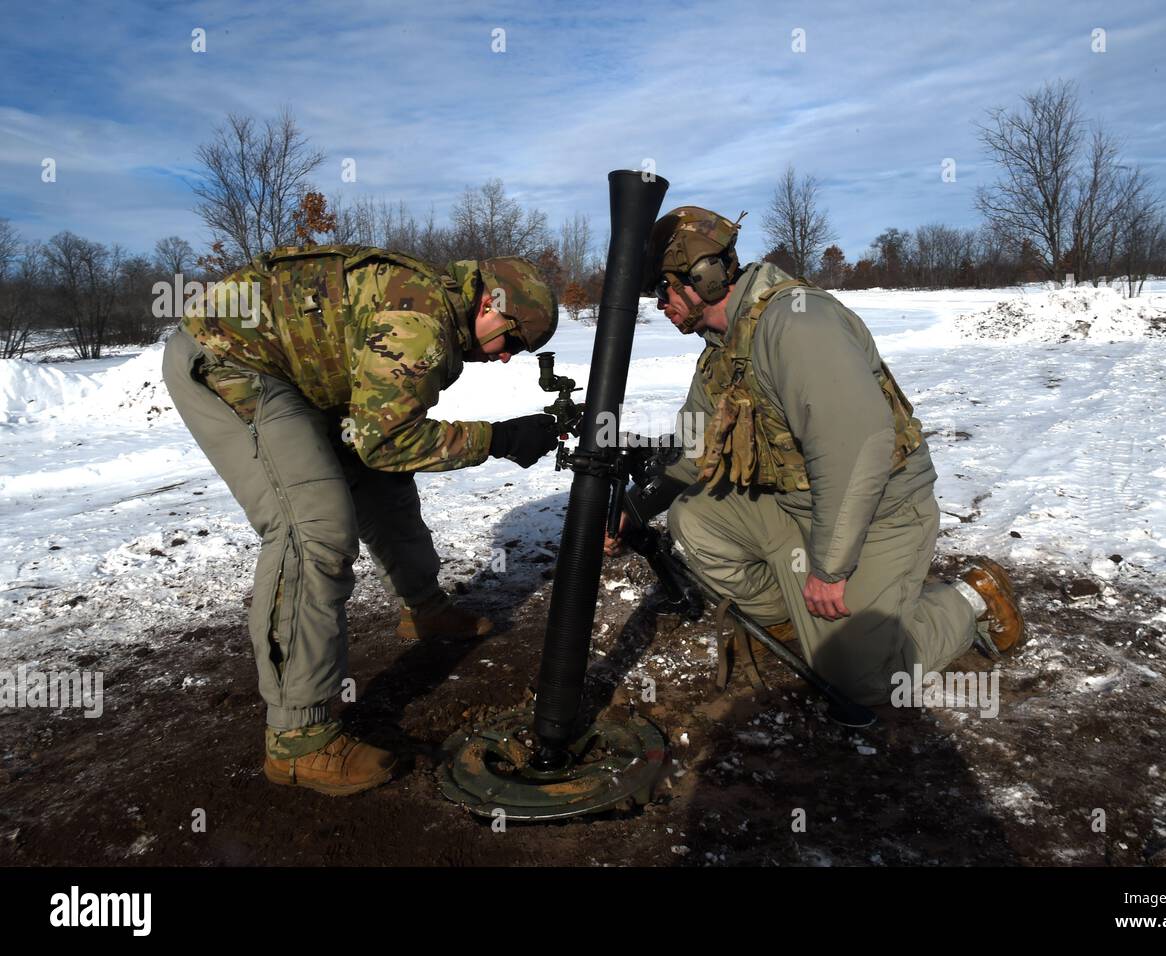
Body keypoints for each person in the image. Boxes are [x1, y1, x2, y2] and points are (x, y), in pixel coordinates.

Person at [162, 244, 560, 794]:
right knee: (312, 529)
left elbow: (380, 447)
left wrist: (499, 436)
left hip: (298, 374)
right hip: (229, 359)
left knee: (384, 487)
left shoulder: (432, 312)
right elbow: (389, 440)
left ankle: (425, 608)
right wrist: (500, 438)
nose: (508, 357)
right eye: (514, 340)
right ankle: (298, 738)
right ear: (490, 305)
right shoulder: (419, 323)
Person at [609, 207, 1024, 724]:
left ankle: (970, 598)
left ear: (702, 280)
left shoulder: (798, 322)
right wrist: (635, 506)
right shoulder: (723, 348)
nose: (661, 305)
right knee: (693, 519)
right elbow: (697, 448)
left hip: (879, 515)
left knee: (864, 680)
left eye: (664, 290)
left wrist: (829, 569)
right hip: (796, 505)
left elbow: (857, 448)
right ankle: (802, 628)